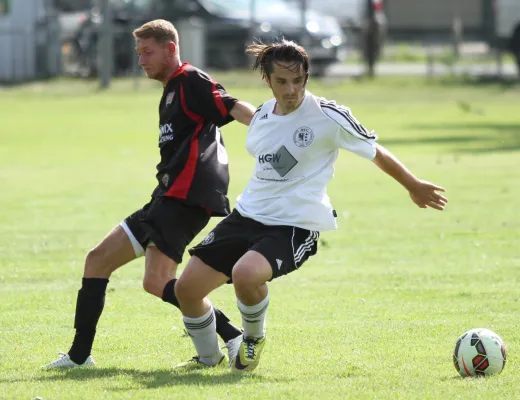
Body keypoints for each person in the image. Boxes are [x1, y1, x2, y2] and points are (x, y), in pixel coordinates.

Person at [172, 39, 448, 371]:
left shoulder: (327, 116)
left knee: (245, 275)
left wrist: (413, 185)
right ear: (268, 81)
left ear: (307, 76)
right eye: (282, 81)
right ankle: (207, 358)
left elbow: (375, 151)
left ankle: (253, 339)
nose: (292, 89)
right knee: (186, 289)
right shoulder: (262, 116)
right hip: (247, 215)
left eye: (298, 80)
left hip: (295, 223)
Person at [44, 19, 257, 369]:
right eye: (138, 52)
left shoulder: (190, 80)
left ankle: (233, 337)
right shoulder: (171, 89)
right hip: (167, 197)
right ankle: (80, 357)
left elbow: (233, 106)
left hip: (183, 199)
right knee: (102, 262)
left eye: (147, 52)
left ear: (170, 48)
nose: (141, 60)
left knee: (155, 280)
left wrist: (273, 128)